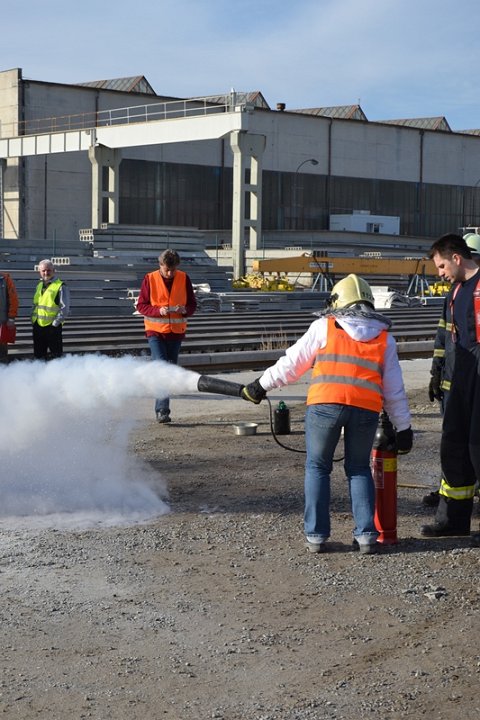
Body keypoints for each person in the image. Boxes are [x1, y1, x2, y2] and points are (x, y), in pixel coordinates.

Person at [241, 274, 413, 554]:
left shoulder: (324, 326)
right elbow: (394, 390)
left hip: (325, 406)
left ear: (338, 301)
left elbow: (292, 365)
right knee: (359, 469)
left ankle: (316, 537)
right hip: (365, 409)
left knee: (318, 467)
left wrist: (260, 386)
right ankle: (366, 536)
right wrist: (403, 427)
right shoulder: (384, 338)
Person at [421, 233, 480, 538]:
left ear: (457, 258)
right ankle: (453, 520)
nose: (440, 273)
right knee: (454, 445)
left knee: (478, 447)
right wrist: (438, 372)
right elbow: (447, 336)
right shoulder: (455, 292)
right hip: (461, 377)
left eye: (442, 266)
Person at [137, 249, 197, 423]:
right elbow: (141, 305)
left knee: (169, 369)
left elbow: (192, 304)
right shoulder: (150, 278)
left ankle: (161, 406)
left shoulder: (184, 278)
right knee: (162, 368)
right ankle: (162, 410)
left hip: (175, 333)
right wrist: (158, 311)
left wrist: (185, 310)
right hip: (155, 331)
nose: (170, 274)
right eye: (167, 270)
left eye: (173, 270)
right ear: (160, 265)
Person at [32, 259, 70, 360]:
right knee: (38, 356)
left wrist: (55, 324)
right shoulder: (39, 285)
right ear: (39, 272)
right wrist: (33, 321)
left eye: (48, 270)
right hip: (38, 326)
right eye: (43, 270)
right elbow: (35, 305)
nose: (46, 273)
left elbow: (64, 308)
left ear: (54, 271)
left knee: (56, 357)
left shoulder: (60, 286)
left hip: (52, 327)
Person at [0, 270, 19, 364]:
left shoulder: (5, 279)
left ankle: (3, 369)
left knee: (2, 351)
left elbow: (13, 299)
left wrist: (11, 318)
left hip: (1, 322)